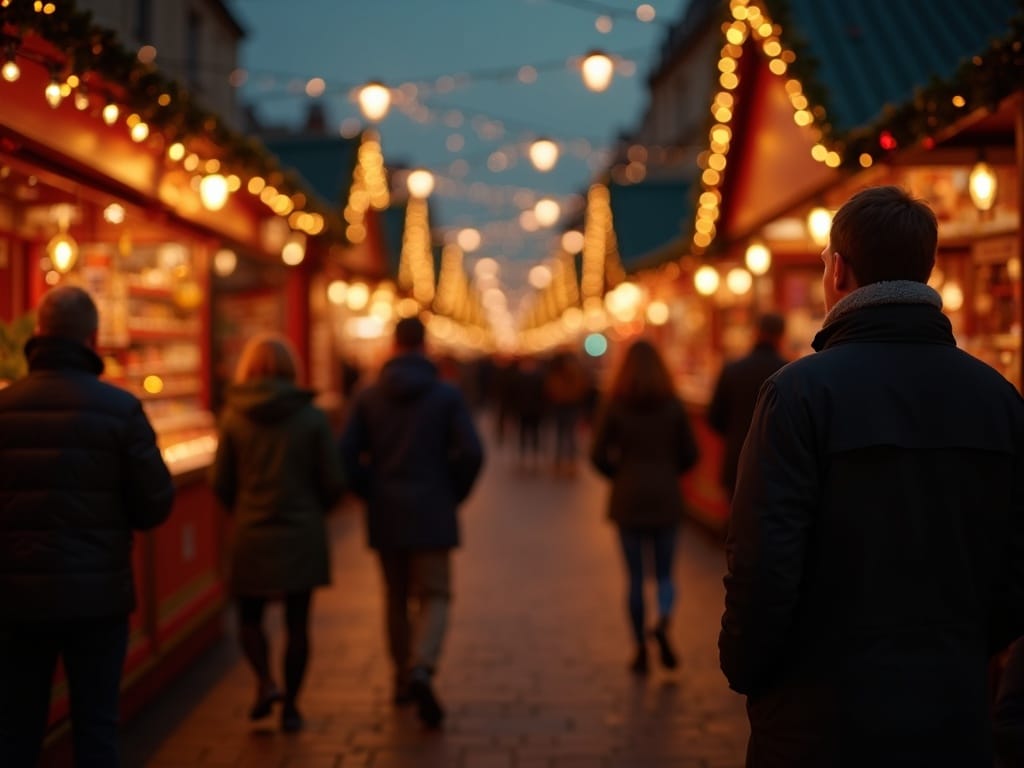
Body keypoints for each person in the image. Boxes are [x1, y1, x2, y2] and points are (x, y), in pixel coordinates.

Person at [718, 185, 1024, 767]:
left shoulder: (800, 393)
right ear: (926, 269)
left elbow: (763, 558)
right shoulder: (997, 398)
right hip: (951, 711)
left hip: (819, 716)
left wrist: (749, 669)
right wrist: (967, 649)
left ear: (837, 270)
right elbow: (1016, 562)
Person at [0, 285, 175, 767]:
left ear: (38, 334)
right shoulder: (120, 410)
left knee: (15, 730)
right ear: (93, 338)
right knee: (96, 729)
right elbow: (155, 504)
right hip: (97, 599)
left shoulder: (4, 407)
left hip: (15, 598)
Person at [339, 316, 484, 729]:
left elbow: (346, 456)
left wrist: (370, 490)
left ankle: (401, 677)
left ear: (392, 344)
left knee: (395, 597)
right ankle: (423, 664)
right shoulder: (446, 395)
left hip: (386, 511)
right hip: (434, 509)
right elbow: (472, 453)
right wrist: (452, 493)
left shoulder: (368, 397)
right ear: (425, 346)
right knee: (435, 594)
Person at [210, 333, 345, 733]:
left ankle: (265, 682)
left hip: (251, 530)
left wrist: (243, 507)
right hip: (301, 532)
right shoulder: (311, 416)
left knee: (249, 617)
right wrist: (316, 510)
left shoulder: (233, 417)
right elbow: (334, 480)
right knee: (298, 623)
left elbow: (220, 481)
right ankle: (292, 706)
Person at [590, 338, 699, 675]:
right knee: (665, 574)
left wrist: (619, 474)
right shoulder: (673, 404)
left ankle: (639, 647)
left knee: (635, 578)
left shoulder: (616, 403)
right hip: (665, 495)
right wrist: (669, 472)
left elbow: (596, 453)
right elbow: (691, 453)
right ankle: (663, 622)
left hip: (628, 496)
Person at [706, 311, 787, 499]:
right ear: (781, 336)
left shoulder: (732, 370)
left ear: (756, 332)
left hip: (737, 459)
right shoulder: (790, 372)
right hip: (776, 464)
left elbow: (714, 418)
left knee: (735, 520)